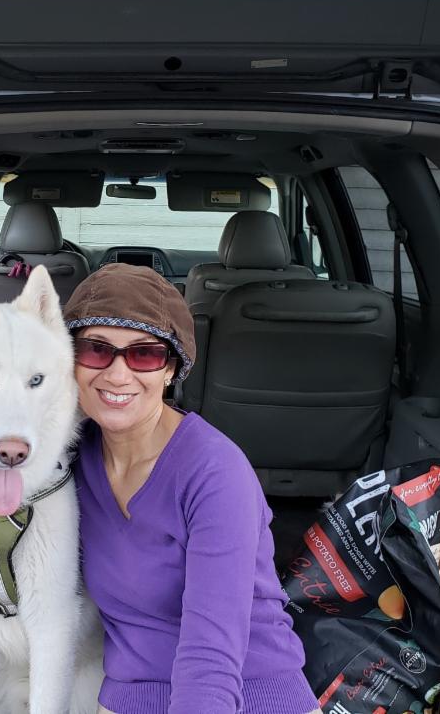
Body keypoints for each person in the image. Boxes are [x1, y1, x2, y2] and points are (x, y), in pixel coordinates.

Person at [63, 264, 320, 714]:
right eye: (96, 349)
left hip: (245, 692)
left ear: (170, 369)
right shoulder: (68, 457)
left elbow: (211, 654)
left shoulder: (215, 472)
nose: (118, 375)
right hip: (133, 691)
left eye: (144, 355)